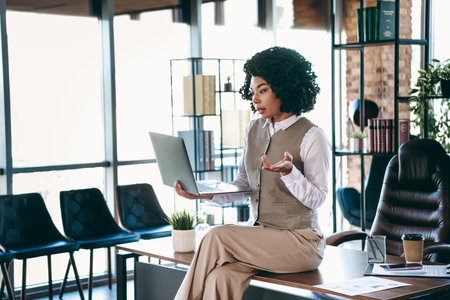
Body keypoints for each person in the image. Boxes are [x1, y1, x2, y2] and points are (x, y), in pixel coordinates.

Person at [174, 46, 330, 300]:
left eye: (263, 91)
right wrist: (202, 194)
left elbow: (319, 198)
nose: (255, 99)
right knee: (219, 278)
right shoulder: (253, 130)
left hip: (301, 242)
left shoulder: (312, 135)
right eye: (253, 92)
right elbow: (243, 186)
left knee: (217, 236)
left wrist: (290, 173)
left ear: (285, 87)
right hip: (261, 237)